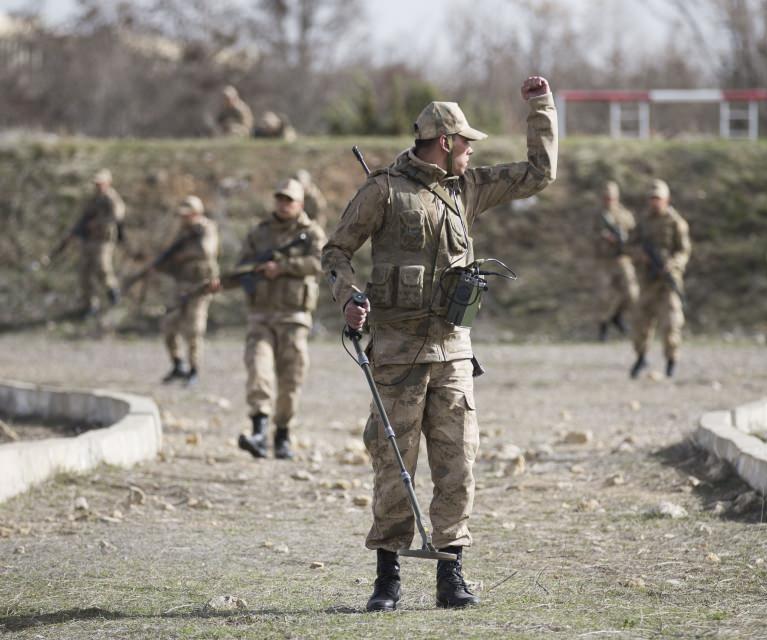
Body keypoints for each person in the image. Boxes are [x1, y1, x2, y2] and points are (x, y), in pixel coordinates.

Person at [321, 75, 558, 612]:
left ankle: (451, 574)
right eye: (466, 142)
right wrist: (349, 296)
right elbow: (335, 251)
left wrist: (541, 107)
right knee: (393, 465)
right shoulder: (383, 190)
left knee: (458, 465)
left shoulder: (466, 189)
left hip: (453, 353)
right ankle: (387, 578)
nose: (472, 150)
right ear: (445, 141)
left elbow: (539, 174)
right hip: (397, 355)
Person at [224, 179, 326, 460]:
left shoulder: (311, 233)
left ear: (300, 203)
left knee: (291, 380)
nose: (283, 204)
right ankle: (258, 431)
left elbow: (321, 262)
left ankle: (282, 434)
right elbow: (242, 266)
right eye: (280, 199)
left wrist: (282, 267)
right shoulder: (260, 233)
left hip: (294, 318)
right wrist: (252, 270)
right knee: (259, 371)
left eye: (289, 200)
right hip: (261, 316)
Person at [627, 179, 690, 378]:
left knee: (671, 324)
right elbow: (629, 246)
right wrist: (641, 256)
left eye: (658, 198)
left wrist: (672, 265)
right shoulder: (642, 222)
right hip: (647, 281)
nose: (655, 202)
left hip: (667, 283)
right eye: (652, 198)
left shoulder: (676, 222)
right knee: (640, 323)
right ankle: (641, 357)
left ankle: (671, 361)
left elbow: (684, 251)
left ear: (666, 199)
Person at [157, 196, 220, 387]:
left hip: (200, 286)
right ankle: (177, 364)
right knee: (168, 324)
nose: (184, 219)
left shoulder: (206, 229)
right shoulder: (182, 231)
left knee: (193, 330)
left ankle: (194, 369)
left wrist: (184, 254)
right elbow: (169, 252)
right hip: (181, 284)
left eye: (188, 215)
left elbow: (206, 250)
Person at [76, 169, 126, 314]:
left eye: (101, 183)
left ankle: (113, 294)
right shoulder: (93, 199)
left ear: (108, 183)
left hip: (103, 240)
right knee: (85, 272)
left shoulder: (111, 198)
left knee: (103, 268)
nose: (98, 186)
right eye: (97, 183)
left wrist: (98, 223)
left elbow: (118, 215)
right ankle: (90, 304)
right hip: (89, 240)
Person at [593, 181, 639, 341]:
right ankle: (603, 328)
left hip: (623, 258)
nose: (609, 201)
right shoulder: (598, 216)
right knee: (604, 296)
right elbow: (589, 235)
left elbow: (635, 235)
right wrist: (604, 237)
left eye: (612, 198)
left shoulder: (625, 215)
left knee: (632, 293)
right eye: (606, 198)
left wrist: (625, 241)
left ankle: (617, 316)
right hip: (604, 260)